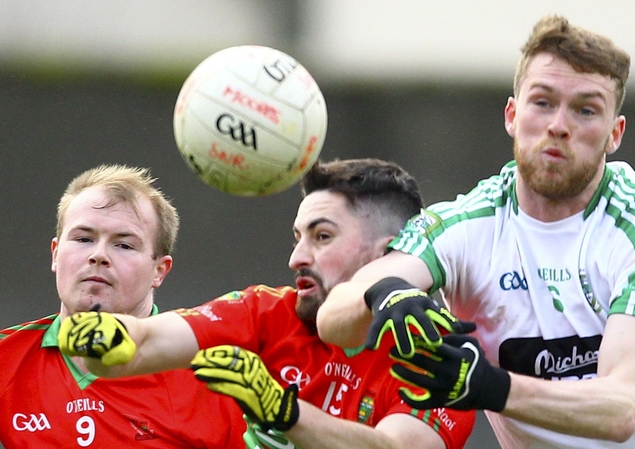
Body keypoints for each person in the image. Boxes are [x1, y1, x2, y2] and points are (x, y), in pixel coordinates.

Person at [315, 15, 635, 449]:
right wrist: (385, 292)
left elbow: (622, 408)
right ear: (512, 115)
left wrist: (489, 385)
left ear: (614, 134)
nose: (558, 126)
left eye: (586, 109)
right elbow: (335, 320)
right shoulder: (467, 225)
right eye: (543, 102)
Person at [58, 158, 476, 449]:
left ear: (388, 254)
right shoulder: (269, 312)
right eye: (298, 238)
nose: (296, 259)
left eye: (323, 237)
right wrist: (110, 339)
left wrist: (284, 412)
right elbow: (147, 340)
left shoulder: (441, 350)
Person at [0, 164, 246, 447]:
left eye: (124, 245)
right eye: (83, 239)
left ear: (159, 271)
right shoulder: (6, 359)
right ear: (56, 254)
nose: (98, 255)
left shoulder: (212, 378)